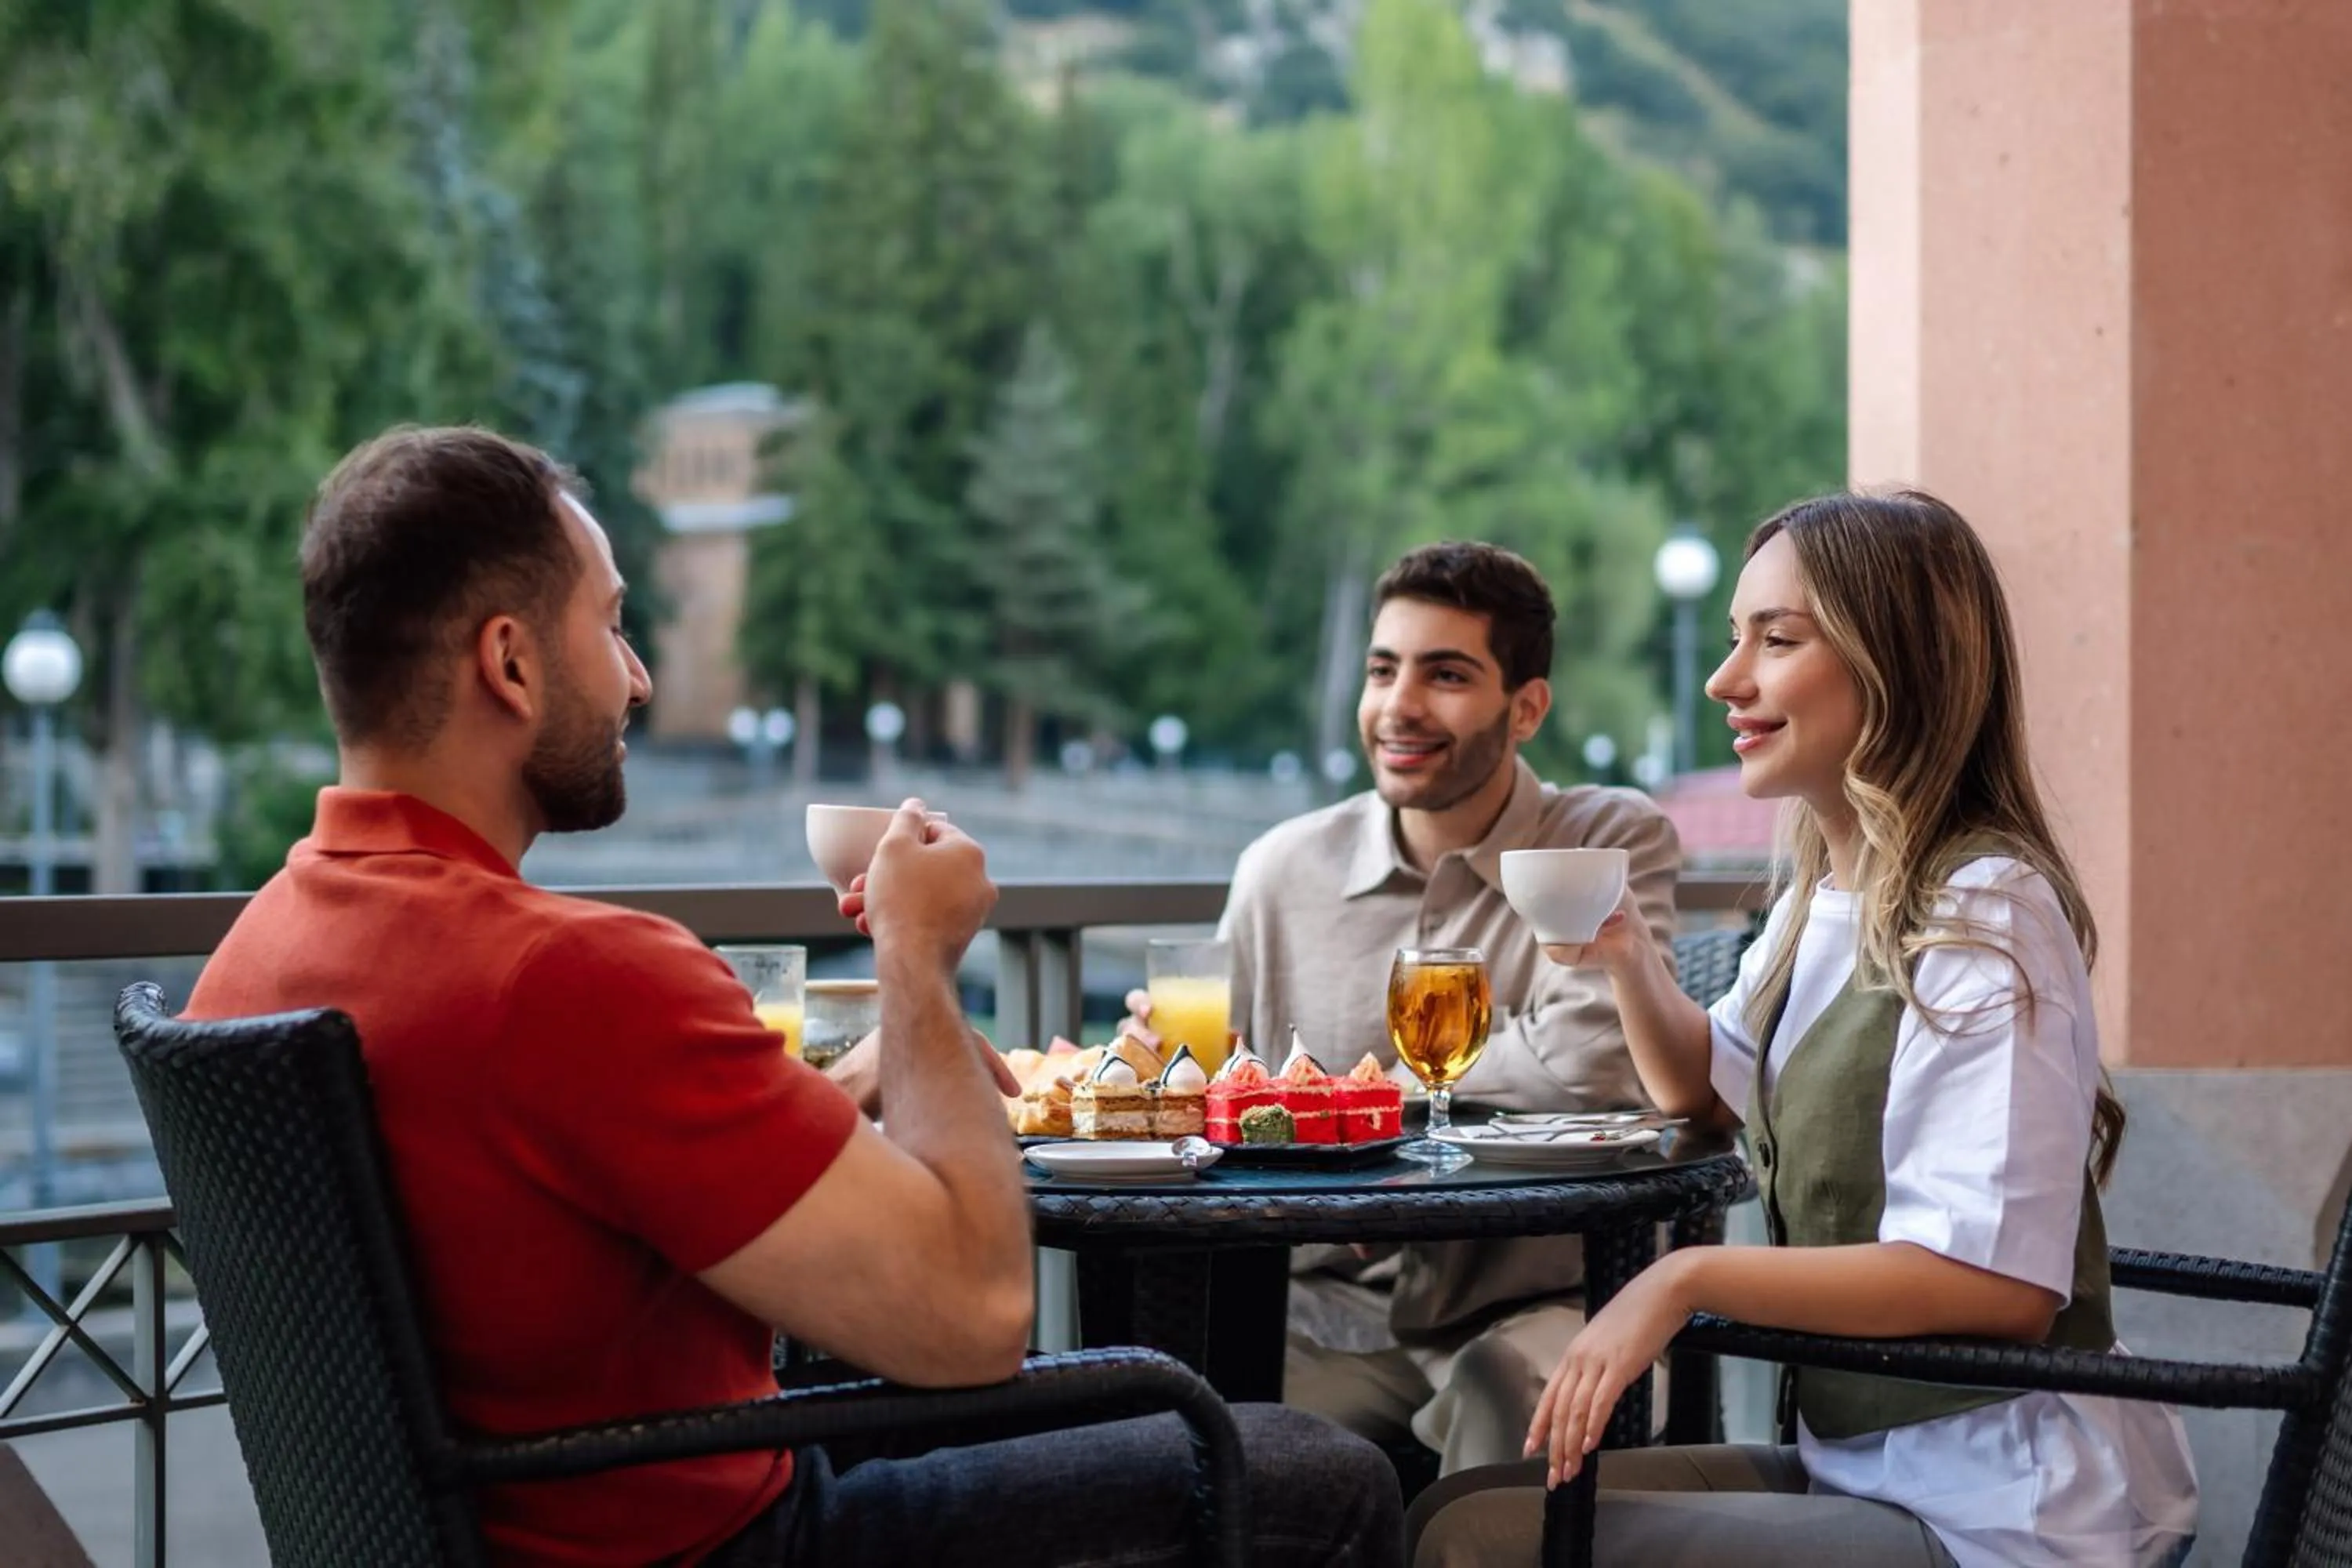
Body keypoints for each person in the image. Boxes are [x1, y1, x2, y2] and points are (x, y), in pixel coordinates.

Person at [184, 426, 1404, 1568]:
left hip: (506, 1520)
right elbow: (974, 1319)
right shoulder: (573, 973)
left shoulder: (249, 963)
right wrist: (918, 959)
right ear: (508, 661)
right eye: (610, 628)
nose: (640, 678)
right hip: (719, 1539)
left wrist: (837, 1090)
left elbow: (537, 1201)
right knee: (1314, 1472)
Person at [1410, 491, 2199, 1566]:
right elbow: (1702, 1090)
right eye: (1736, 639)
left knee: (1487, 1545)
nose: (1725, 680)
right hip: (1860, 1467)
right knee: (1449, 1516)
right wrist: (1631, 954)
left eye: (1776, 642)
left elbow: (1999, 1288)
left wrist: (1682, 1280)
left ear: (1896, 663)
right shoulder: (1820, 897)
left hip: (1994, 1511)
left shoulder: (1985, 913)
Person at [1124, 542, 1681, 1475]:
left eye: (1447, 674)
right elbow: (1230, 1092)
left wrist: (1357, 1117)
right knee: (1182, 1440)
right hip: (1328, 1315)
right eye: (1383, 669)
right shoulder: (1282, 868)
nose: (1400, 705)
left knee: (1519, 1398)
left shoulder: (1605, 838)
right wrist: (1177, 1069)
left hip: (1538, 1310)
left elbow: (1595, 1065)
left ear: (1527, 706)